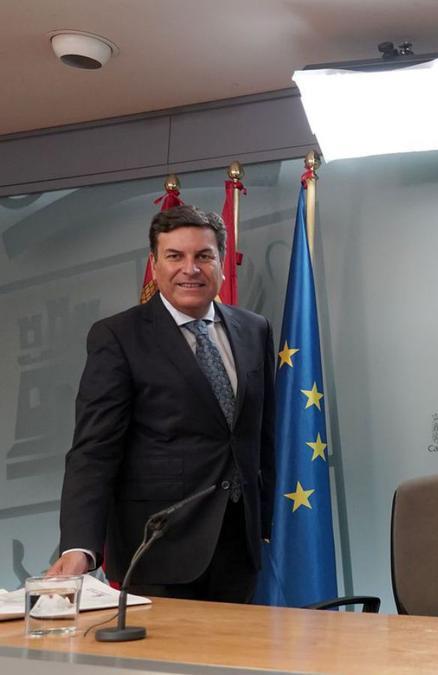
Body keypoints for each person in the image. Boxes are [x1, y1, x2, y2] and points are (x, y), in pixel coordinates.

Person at [47, 205, 276, 603]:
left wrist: (269, 522)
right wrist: (79, 546)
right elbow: (94, 451)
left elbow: (264, 435)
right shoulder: (118, 337)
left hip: (239, 547)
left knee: (235, 662)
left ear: (221, 264)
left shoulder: (253, 329)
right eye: (175, 256)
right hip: (157, 550)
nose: (191, 268)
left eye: (203, 256)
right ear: (155, 266)